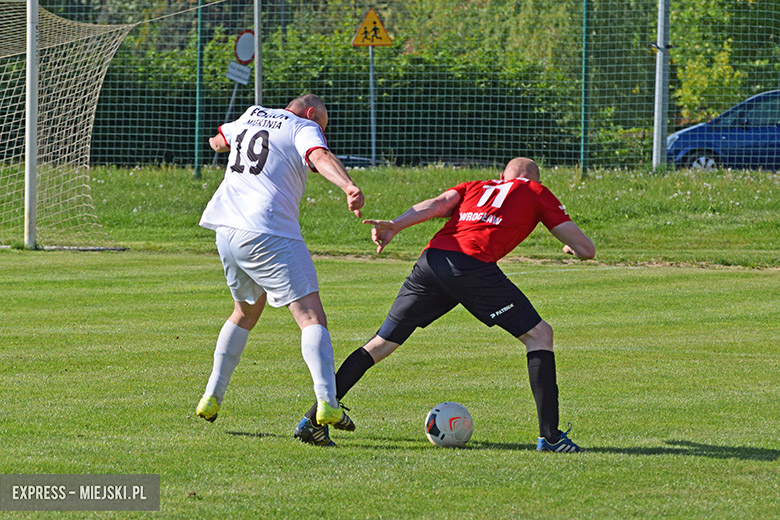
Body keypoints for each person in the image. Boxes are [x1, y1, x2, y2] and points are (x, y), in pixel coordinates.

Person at [294, 157, 595, 451]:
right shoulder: (534, 191)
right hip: (471, 267)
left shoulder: (476, 185)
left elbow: (437, 204)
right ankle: (551, 438)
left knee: (380, 344)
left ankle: (312, 421)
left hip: (432, 260)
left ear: (503, 177)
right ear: (534, 179)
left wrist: (396, 225)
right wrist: (572, 248)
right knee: (539, 335)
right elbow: (587, 250)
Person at [195, 94, 364, 434]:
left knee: (244, 313)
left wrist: (220, 146)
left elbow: (218, 141)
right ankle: (328, 402)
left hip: (226, 229)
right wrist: (347, 185)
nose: (322, 132)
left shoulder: (251, 114)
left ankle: (211, 396)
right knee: (311, 316)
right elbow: (319, 155)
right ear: (313, 113)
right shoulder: (303, 126)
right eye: (323, 126)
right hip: (268, 228)